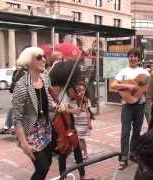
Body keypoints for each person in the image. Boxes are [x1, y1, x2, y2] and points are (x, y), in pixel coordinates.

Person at [12, 47, 60, 180]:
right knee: (42, 166)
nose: (44, 59)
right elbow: (17, 118)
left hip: (46, 129)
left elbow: (49, 104)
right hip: (30, 132)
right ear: (29, 61)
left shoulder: (45, 78)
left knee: (48, 163)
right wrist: (23, 143)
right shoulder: (21, 86)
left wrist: (59, 107)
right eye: (39, 57)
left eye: (44, 56)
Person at [110, 48, 150, 170]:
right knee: (125, 132)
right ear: (128, 58)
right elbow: (113, 85)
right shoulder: (123, 71)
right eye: (131, 56)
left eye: (135, 56)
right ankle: (123, 157)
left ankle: (133, 153)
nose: (133, 58)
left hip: (140, 105)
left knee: (137, 132)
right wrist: (128, 85)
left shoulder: (144, 73)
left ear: (139, 58)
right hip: (127, 105)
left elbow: (149, 86)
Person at [70, 82, 92, 160]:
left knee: (81, 139)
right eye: (79, 90)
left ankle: (84, 152)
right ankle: (80, 152)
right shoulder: (72, 100)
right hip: (75, 122)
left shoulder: (86, 100)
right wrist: (74, 110)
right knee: (77, 139)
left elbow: (88, 112)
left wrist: (89, 123)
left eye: (83, 90)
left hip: (83, 123)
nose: (81, 92)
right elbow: (69, 110)